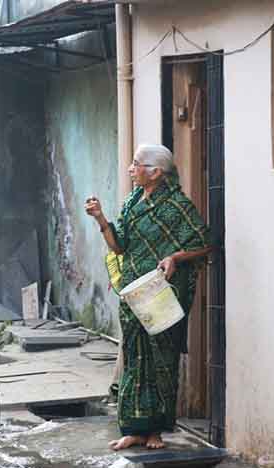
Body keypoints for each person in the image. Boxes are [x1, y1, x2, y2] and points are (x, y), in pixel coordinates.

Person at [85, 144, 212, 451]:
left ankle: (156, 431)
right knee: (135, 359)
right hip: (133, 292)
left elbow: (204, 243)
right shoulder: (131, 203)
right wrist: (101, 219)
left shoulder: (177, 206)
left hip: (161, 293)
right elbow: (120, 247)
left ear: (155, 172)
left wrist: (175, 257)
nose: (131, 168)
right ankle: (133, 428)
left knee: (161, 361)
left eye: (136, 164)